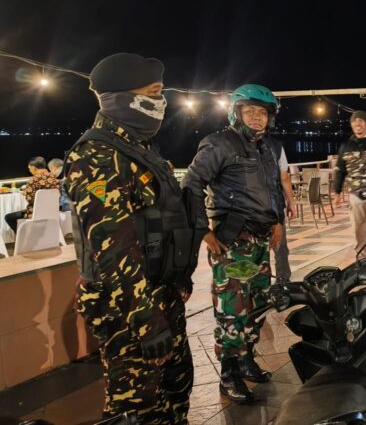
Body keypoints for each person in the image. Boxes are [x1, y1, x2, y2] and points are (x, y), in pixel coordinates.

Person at [65, 53, 199, 423]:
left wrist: (177, 278)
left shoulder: (140, 149)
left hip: (159, 293)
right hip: (128, 308)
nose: (161, 102)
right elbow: (114, 250)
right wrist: (146, 321)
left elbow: (165, 219)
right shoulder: (96, 156)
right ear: (119, 98)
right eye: (153, 93)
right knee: (137, 407)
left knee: (176, 391)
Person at [181, 84, 285, 404]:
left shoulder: (266, 148)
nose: (256, 117)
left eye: (262, 112)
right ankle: (229, 372)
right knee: (232, 309)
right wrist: (203, 230)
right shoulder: (219, 143)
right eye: (249, 111)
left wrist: (278, 221)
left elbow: (273, 188)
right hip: (234, 240)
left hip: (261, 239)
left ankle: (246, 358)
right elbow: (191, 184)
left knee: (257, 304)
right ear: (235, 113)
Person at [333, 110, 366, 265]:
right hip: (355, 195)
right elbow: (340, 170)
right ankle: (363, 261)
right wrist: (336, 193)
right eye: (354, 121)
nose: (357, 124)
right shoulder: (346, 146)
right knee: (358, 230)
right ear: (351, 125)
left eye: (360, 121)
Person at [264, 124, 297, 284]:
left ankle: (260, 286)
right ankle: (283, 283)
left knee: (257, 249)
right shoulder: (276, 146)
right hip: (274, 205)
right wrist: (291, 201)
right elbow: (284, 177)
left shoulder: (236, 144)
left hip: (249, 207)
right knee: (280, 246)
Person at [4, 156, 60, 232]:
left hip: (35, 212)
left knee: (8, 217)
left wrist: (25, 193)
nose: (29, 171)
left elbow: (30, 200)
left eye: (29, 169)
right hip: (52, 211)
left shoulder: (33, 180)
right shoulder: (54, 178)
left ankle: (23, 236)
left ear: (34, 168)